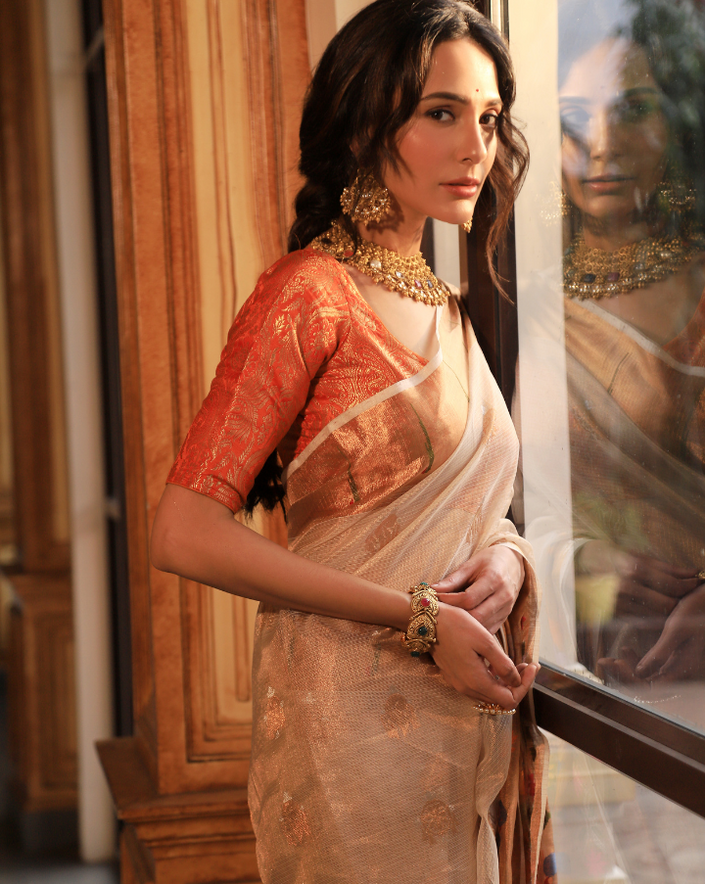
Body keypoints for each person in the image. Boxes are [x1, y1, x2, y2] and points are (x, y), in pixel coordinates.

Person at [151, 1, 551, 881]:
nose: (474, 145)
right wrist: (416, 619)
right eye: (440, 113)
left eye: (487, 119)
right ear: (367, 119)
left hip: (459, 715)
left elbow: (474, 511)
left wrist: (511, 562)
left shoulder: (446, 306)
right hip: (347, 735)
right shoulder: (309, 294)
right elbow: (182, 529)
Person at [555, 0, 705, 687]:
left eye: (631, 109)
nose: (602, 143)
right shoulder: (507, 303)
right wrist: (574, 563)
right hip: (560, 655)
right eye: (575, 119)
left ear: (672, 126)